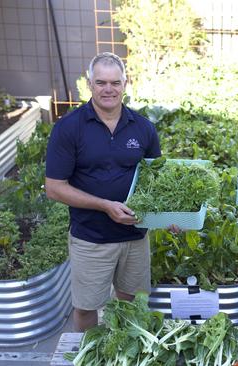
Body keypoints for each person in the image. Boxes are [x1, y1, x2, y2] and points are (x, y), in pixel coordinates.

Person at [45, 52, 161, 332]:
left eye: (114, 82)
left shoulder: (143, 128)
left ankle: (125, 352)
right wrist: (105, 205)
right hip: (91, 238)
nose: (108, 89)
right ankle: (88, 353)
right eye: (101, 83)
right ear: (89, 84)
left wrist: (168, 218)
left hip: (135, 236)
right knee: (87, 306)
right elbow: (54, 188)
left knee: (132, 302)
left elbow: (157, 182)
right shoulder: (69, 128)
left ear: (125, 83)